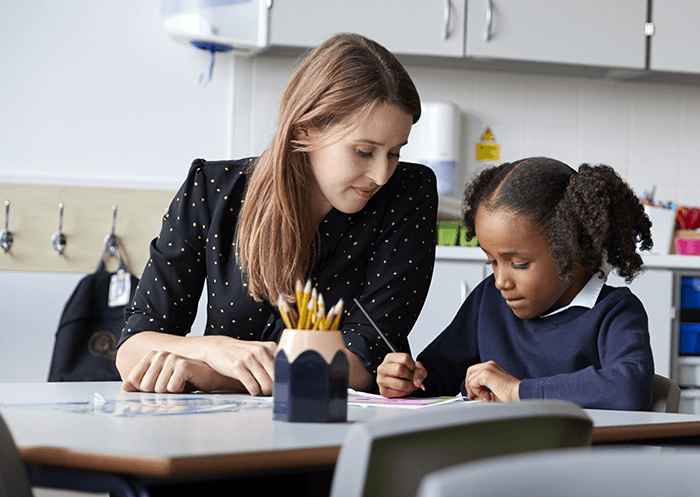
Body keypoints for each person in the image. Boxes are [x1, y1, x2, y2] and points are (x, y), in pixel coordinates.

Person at [115, 33, 438, 396]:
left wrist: (218, 376)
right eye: (364, 151)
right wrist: (215, 349)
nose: (382, 174)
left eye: (394, 153)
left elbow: (363, 363)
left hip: (335, 427)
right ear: (305, 130)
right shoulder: (211, 190)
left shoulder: (408, 193)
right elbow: (133, 348)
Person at [377, 157, 656, 410]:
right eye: (492, 262)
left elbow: (630, 387)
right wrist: (405, 380)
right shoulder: (489, 301)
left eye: (519, 264)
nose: (500, 281)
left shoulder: (613, 311)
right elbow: (436, 378)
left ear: (574, 250)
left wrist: (517, 390)